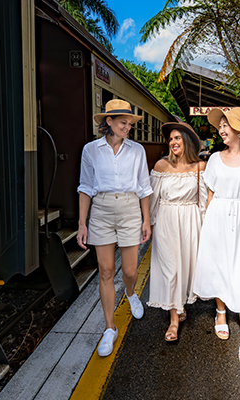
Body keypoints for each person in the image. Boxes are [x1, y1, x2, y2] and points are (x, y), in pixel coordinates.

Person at [191, 107, 240, 365]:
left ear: (239, 130)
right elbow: (211, 194)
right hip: (217, 218)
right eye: (220, 125)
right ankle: (221, 312)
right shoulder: (215, 159)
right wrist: (206, 224)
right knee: (218, 266)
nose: (221, 129)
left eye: (226, 125)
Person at [76, 99, 152, 357]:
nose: (127, 127)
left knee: (130, 271)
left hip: (130, 209)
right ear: (108, 121)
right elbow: (86, 186)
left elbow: (144, 187)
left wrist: (146, 220)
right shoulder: (91, 150)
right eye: (123, 123)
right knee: (106, 270)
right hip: (101, 210)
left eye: (129, 123)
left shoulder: (137, 150)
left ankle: (130, 293)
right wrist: (82, 223)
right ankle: (110, 328)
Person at [148, 122, 207, 341]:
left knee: (185, 267)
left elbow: (203, 201)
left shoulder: (200, 167)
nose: (173, 142)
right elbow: (153, 199)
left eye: (177, 138)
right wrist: (148, 224)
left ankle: (179, 304)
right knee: (170, 268)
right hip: (166, 221)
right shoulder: (161, 166)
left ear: (187, 141)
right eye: (171, 139)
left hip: (191, 221)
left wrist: (207, 228)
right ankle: (173, 320)